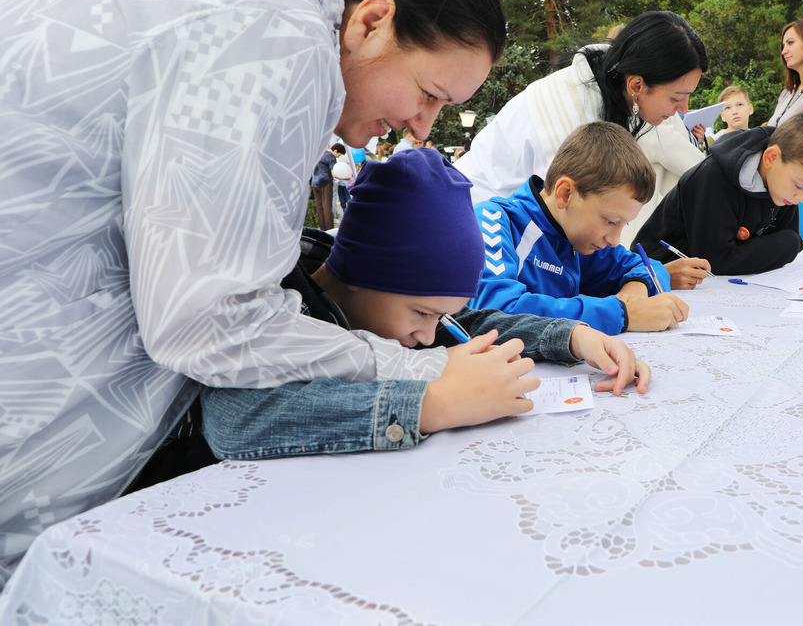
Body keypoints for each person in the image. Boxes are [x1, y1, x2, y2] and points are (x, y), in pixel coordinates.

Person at [0, 0, 509, 585]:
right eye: (429, 94)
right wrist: (427, 377)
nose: (422, 127)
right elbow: (211, 321)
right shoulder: (277, 39)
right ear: (373, 21)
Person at [201, 149, 649, 460]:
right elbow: (235, 416)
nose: (430, 336)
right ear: (361, 275)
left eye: (437, 315)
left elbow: (469, 321)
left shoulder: (390, 308)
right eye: (421, 313)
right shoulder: (278, 308)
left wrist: (573, 336)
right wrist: (433, 403)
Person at [454, 10, 709, 247]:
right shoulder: (571, 112)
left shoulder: (615, 92)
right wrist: (646, 272)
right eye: (676, 97)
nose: (684, 109)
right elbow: (572, 231)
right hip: (474, 228)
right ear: (637, 85)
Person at [469, 121, 693, 335]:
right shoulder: (495, 220)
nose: (615, 240)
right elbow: (494, 312)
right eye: (611, 221)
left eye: (625, 224)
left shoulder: (578, 239)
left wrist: (638, 286)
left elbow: (648, 267)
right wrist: (623, 315)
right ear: (565, 194)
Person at [635, 112, 803, 275]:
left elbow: (790, 238)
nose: (802, 199)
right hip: (656, 271)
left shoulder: (781, 185)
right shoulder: (714, 177)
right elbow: (715, 260)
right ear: (771, 158)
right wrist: (787, 244)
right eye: (800, 186)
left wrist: (785, 243)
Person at [311, 143, 342, 231]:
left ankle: (322, 228)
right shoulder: (331, 157)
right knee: (327, 206)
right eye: (339, 155)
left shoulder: (318, 154)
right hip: (326, 182)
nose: (338, 157)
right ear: (336, 151)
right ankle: (329, 230)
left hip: (314, 182)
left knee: (319, 207)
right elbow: (333, 173)